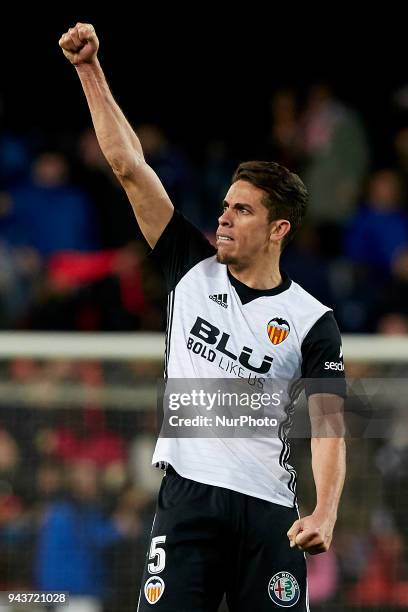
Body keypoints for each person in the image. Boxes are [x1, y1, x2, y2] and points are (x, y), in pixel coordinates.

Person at [59, 23, 346, 612]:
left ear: (278, 229)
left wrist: (324, 510)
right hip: (188, 499)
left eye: (242, 210)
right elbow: (128, 165)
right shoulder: (189, 266)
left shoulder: (313, 320)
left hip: (271, 513)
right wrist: (90, 70)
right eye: (224, 205)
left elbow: (328, 425)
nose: (224, 217)